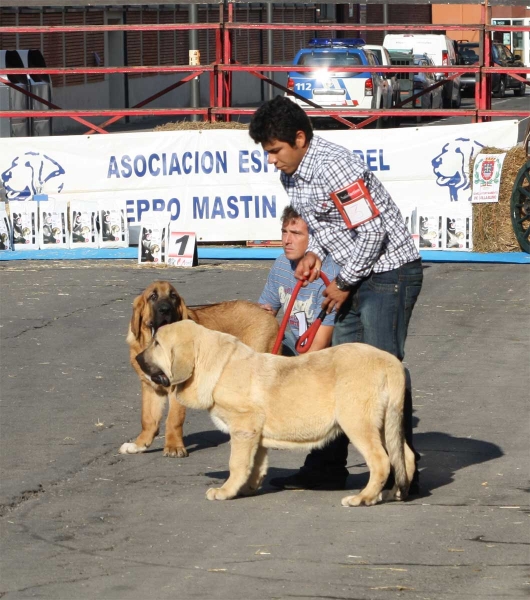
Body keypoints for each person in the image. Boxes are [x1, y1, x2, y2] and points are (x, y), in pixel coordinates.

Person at [249, 95, 423, 494]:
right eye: (267, 153)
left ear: (299, 138)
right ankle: (327, 466)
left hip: (388, 273)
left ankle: (403, 470)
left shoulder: (335, 166)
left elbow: (373, 233)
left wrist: (343, 284)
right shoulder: (292, 175)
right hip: (355, 273)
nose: (272, 160)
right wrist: (315, 254)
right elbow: (331, 228)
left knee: (382, 368)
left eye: (275, 151)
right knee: (337, 372)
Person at [259, 206, 340, 356]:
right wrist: (261, 317)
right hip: (296, 343)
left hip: (325, 357)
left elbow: (318, 347)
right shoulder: (281, 264)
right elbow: (262, 315)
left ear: (314, 238)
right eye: (284, 232)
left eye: (296, 233)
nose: (287, 241)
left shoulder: (329, 277)